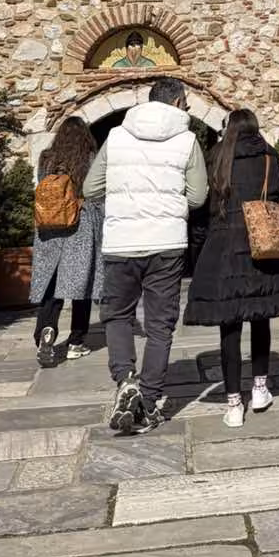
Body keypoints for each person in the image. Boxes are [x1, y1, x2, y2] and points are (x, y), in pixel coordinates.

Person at [83, 77, 208, 434]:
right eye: (185, 103)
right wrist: (167, 204)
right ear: (178, 101)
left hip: (121, 241)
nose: (186, 109)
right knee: (159, 324)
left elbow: (91, 187)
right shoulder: (188, 140)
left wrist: (124, 199)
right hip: (167, 242)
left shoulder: (117, 136)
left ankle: (125, 380)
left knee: (118, 316)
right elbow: (198, 197)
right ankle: (149, 401)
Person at [184, 108, 279, 427]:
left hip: (224, 247)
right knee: (260, 319)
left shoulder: (217, 155)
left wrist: (200, 249)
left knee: (229, 326)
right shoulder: (268, 157)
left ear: (229, 128)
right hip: (262, 247)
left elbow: (203, 208)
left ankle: (234, 403)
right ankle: (260, 388)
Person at [29, 117, 104, 367]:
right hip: (80, 225)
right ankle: (76, 341)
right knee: (81, 285)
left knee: (51, 285)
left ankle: (46, 331)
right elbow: (96, 192)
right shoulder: (89, 157)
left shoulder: (46, 158)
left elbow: (41, 185)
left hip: (49, 228)